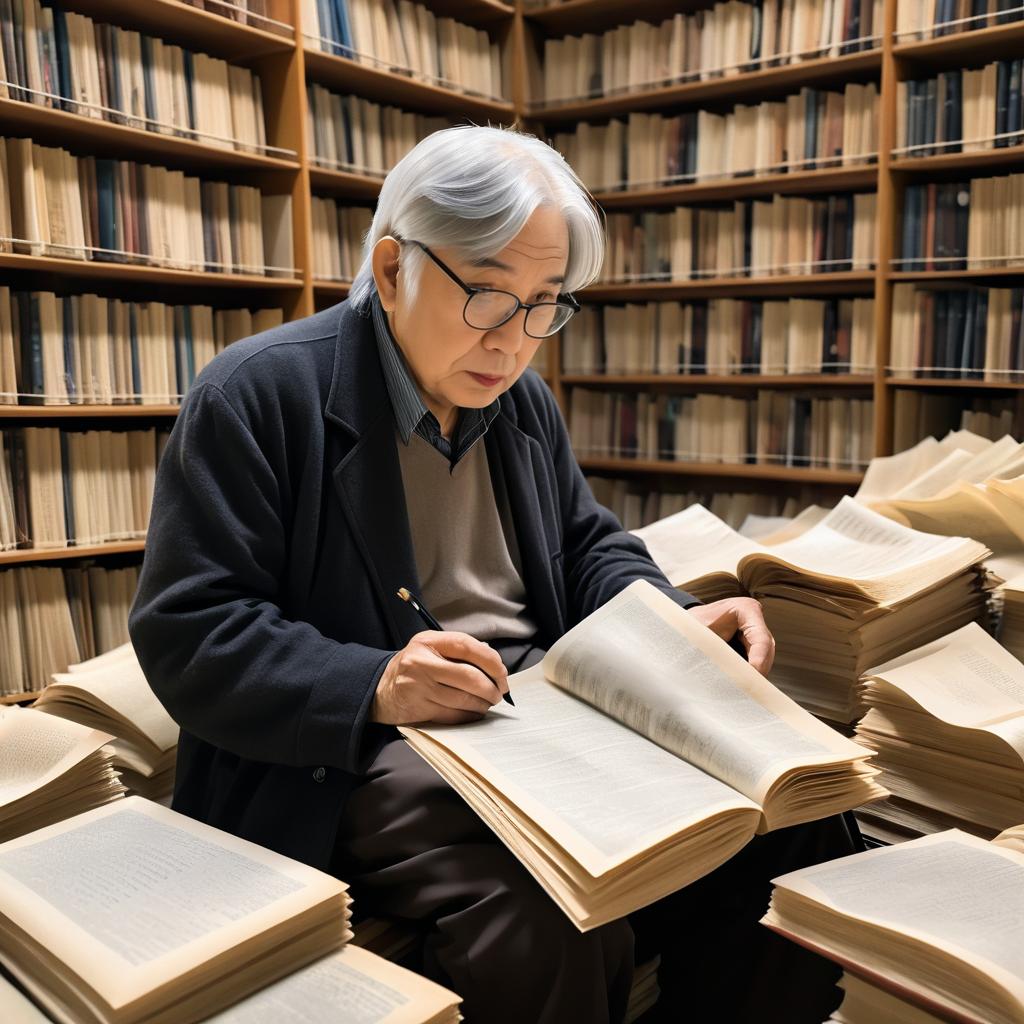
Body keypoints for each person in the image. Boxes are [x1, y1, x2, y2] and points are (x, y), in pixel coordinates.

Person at [129, 124, 860, 1023]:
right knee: (553, 909)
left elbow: (590, 544)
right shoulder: (257, 393)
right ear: (393, 269)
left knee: (795, 823)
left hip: (543, 726)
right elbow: (189, 629)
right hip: (366, 756)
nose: (514, 341)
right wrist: (379, 682)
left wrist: (669, 621)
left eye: (545, 303)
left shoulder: (519, 403)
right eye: (488, 295)